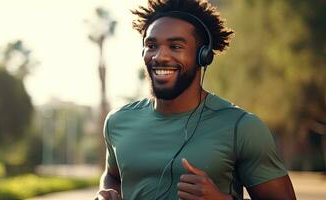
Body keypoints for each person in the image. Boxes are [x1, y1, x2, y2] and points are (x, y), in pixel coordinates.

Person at [96, 0, 296, 199]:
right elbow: (113, 176)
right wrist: (109, 193)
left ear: (203, 55)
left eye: (175, 46)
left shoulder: (242, 127)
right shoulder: (118, 122)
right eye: (151, 45)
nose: (160, 56)